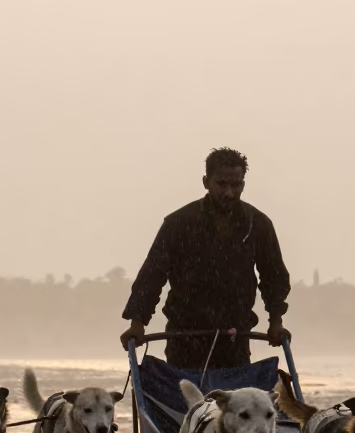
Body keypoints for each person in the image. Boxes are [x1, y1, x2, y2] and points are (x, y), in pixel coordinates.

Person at [120, 147, 291, 368]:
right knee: (187, 398)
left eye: (236, 185)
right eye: (221, 184)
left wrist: (275, 322)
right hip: (184, 335)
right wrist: (137, 323)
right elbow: (152, 276)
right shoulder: (179, 224)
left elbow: (274, 277)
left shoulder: (257, 224)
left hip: (234, 335)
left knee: (234, 399)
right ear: (205, 182)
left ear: (243, 185)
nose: (229, 192)